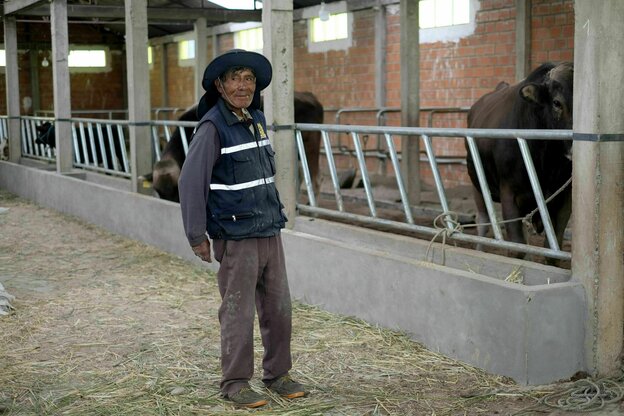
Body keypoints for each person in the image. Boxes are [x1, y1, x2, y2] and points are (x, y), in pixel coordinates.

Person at [178, 49, 306, 408]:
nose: (243, 85)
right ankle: (235, 383)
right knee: (237, 310)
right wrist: (196, 234)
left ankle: (278, 374)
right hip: (236, 236)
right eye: (235, 78)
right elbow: (191, 182)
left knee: (279, 307)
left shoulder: (257, 119)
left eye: (249, 79)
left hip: (269, 230)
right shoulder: (212, 127)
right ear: (220, 85)